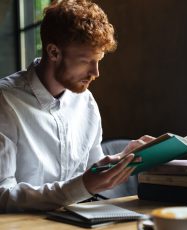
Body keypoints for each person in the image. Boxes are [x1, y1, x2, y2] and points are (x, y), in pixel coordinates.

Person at [0, 0, 154, 212]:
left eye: (99, 60)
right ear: (54, 52)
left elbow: (93, 174)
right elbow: (3, 195)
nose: (96, 73)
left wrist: (122, 159)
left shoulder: (86, 101)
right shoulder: (5, 100)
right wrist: (82, 186)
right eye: (86, 61)